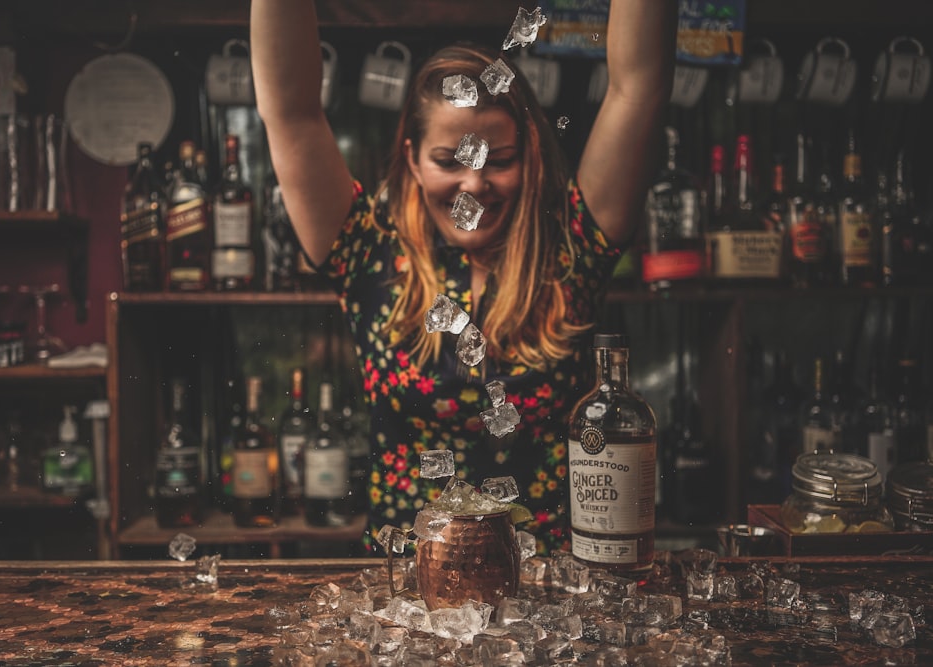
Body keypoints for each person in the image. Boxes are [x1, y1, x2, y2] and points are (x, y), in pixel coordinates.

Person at [250, 1, 677, 554]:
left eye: (498, 158)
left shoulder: (571, 245)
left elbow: (637, 89)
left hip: (548, 594)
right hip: (408, 597)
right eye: (450, 160)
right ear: (412, 158)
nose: (473, 184)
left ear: (529, 155)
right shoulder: (367, 249)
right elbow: (291, 111)